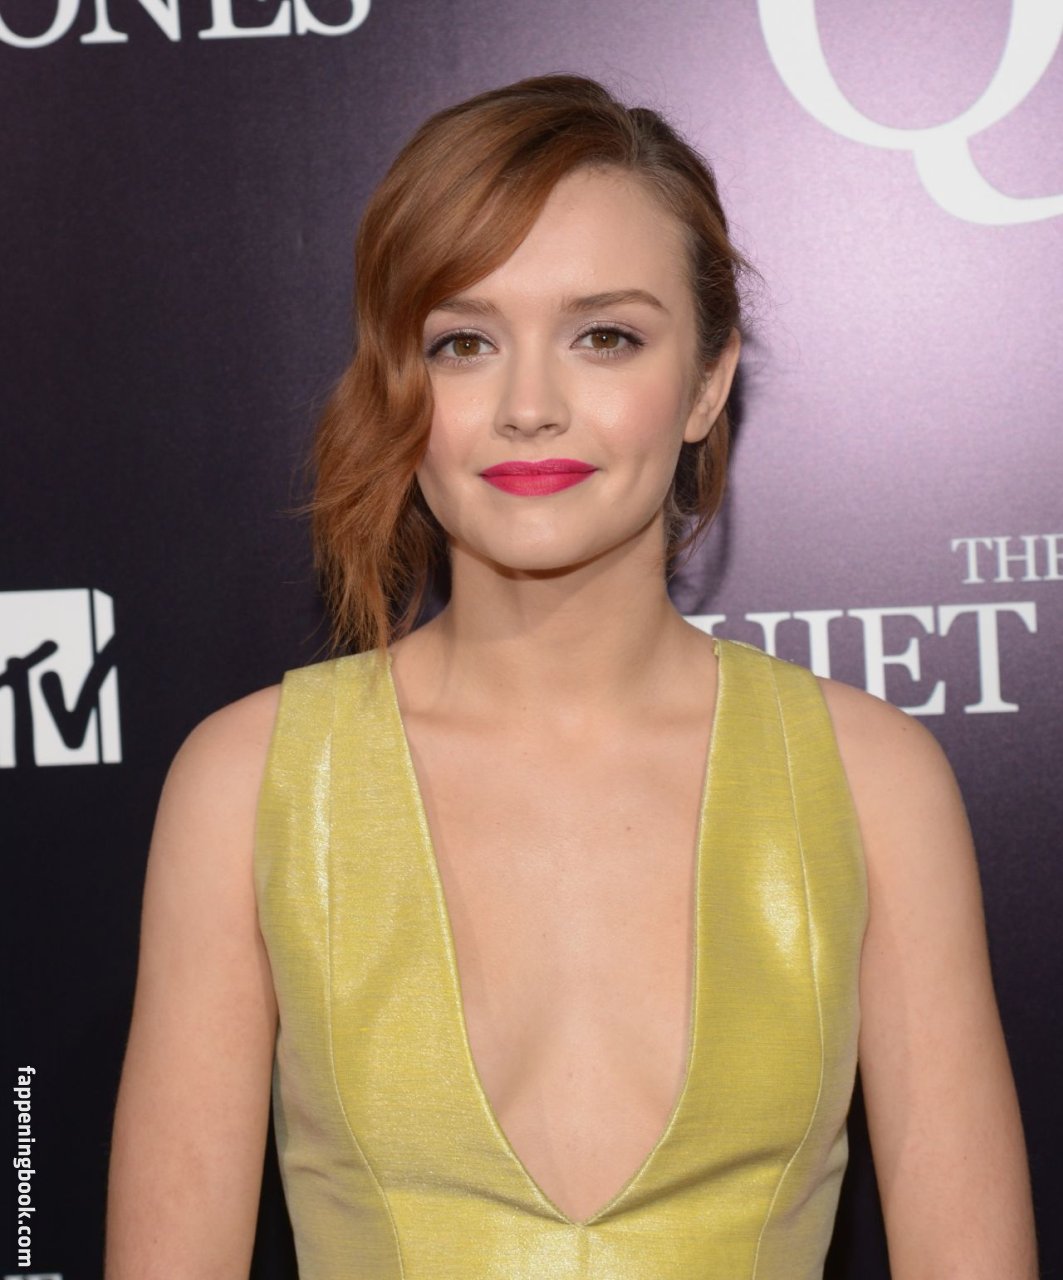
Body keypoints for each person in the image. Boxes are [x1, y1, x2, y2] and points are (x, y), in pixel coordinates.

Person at [104, 74, 1038, 1279]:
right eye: (464, 342)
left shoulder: (872, 780)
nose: (529, 406)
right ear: (399, 383)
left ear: (707, 382)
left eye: (605, 336)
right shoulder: (251, 783)